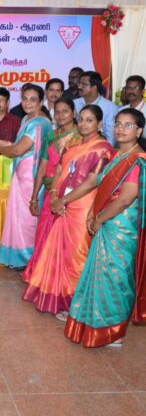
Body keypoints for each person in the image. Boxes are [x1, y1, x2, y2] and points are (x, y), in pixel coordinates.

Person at [65, 108, 146, 347]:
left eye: (128, 125)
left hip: (122, 228)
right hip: (105, 220)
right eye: (118, 123)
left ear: (139, 131)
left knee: (116, 277)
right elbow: (101, 187)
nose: (121, 128)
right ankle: (94, 323)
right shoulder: (116, 155)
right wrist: (93, 212)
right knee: (100, 274)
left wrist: (99, 219)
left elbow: (126, 198)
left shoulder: (137, 159)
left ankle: (113, 331)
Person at [23, 105, 113, 317]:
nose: (83, 124)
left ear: (99, 124)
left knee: (77, 253)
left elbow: (92, 181)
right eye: (81, 119)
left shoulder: (104, 149)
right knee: (60, 252)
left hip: (83, 205)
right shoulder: (72, 144)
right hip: (62, 202)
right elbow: (59, 170)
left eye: (89, 120)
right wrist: (55, 195)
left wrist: (63, 200)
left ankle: (76, 303)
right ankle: (59, 296)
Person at [0, 84, 53, 270]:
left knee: (27, 220)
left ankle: (27, 258)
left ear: (41, 102)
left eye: (33, 99)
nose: (28, 103)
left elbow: (18, 150)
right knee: (18, 218)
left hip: (32, 178)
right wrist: (1, 142)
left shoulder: (40, 123)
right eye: (25, 98)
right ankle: (17, 257)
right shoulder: (27, 118)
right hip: (21, 175)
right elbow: (19, 144)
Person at [23, 97, 79, 282]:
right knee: (43, 235)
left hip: (68, 196)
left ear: (73, 113)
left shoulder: (79, 137)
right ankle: (40, 276)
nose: (61, 115)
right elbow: (42, 167)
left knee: (61, 240)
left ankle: (57, 280)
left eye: (65, 111)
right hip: (49, 192)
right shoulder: (51, 135)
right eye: (58, 112)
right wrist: (34, 197)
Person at [74, 71, 119, 145]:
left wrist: (104, 151)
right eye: (79, 83)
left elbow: (111, 136)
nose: (79, 87)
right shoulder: (74, 103)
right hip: (77, 145)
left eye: (84, 84)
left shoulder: (110, 107)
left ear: (94, 87)